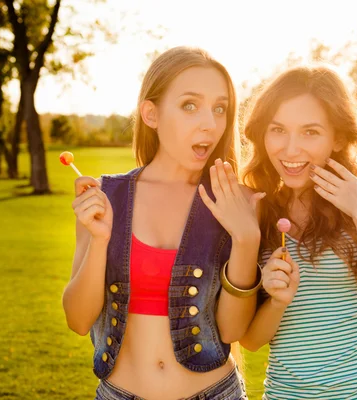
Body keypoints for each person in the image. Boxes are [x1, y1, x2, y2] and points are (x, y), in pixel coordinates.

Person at [62, 46, 265, 400]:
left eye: (220, 108)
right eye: (190, 105)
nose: (210, 123)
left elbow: (232, 330)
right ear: (151, 114)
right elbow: (79, 321)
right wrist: (99, 240)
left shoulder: (238, 203)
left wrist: (246, 239)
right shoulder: (105, 198)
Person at [239, 65, 357, 399]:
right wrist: (277, 302)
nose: (290, 150)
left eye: (310, 132)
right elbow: (249, 341)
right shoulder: (257, 209)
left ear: (337, 138)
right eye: (278, 129)